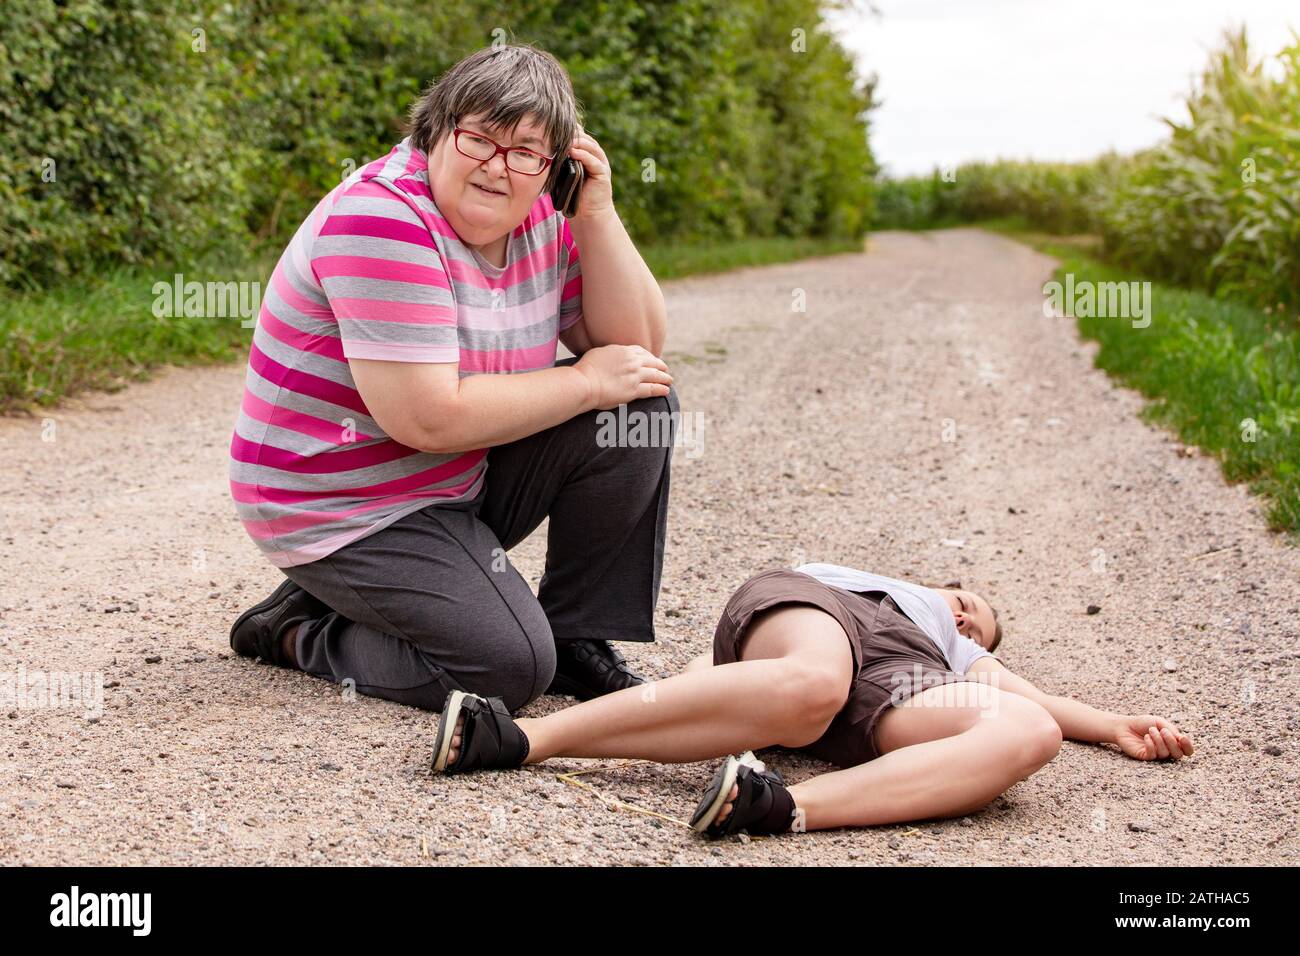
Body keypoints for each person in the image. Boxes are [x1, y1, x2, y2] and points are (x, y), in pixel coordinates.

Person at [226, 43, 677, 712]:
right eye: (480, 139)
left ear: (556, 165)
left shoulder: (545, 215)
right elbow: (427, 419)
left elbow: (634, 348)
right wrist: (584, 384)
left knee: (639, 404)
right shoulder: (382, 219)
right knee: (507, 670)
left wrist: (596, 214)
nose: (499, 168)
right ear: (435, 131)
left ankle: (580, 636)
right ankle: (300, 627)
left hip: (452, 477)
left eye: (526, 151)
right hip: (339, 502)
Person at [428, 562, 1194, 839]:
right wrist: (702, 689)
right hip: (825, 617)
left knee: (1027, 733)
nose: (964, 618)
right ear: (938, 584)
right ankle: (521, 740)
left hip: (902, 677)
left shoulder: (952, 651)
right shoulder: (876, 587)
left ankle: (779, 809)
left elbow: (1032, 697)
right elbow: (718, 665)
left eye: (978, 627)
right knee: (810, 688)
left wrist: (1112, 727)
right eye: (964, 601)